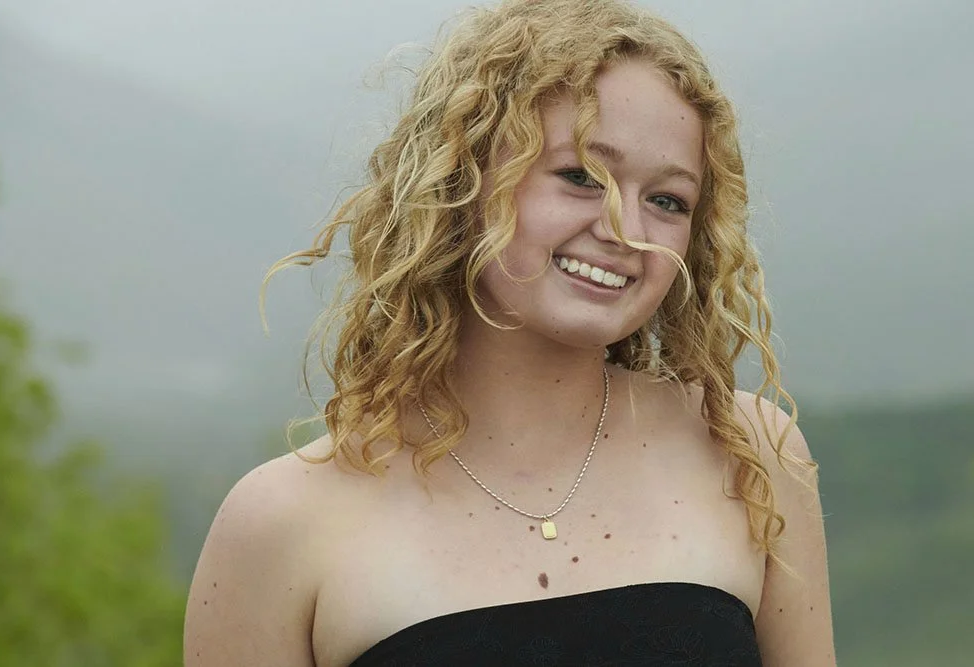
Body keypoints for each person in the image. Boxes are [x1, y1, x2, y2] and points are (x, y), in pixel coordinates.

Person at [184, 0, 836, 664]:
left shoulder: (748, 453)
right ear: (463, 181)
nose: (626, 229)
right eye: (581, 176)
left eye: (666, 200)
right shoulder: (283, 523)